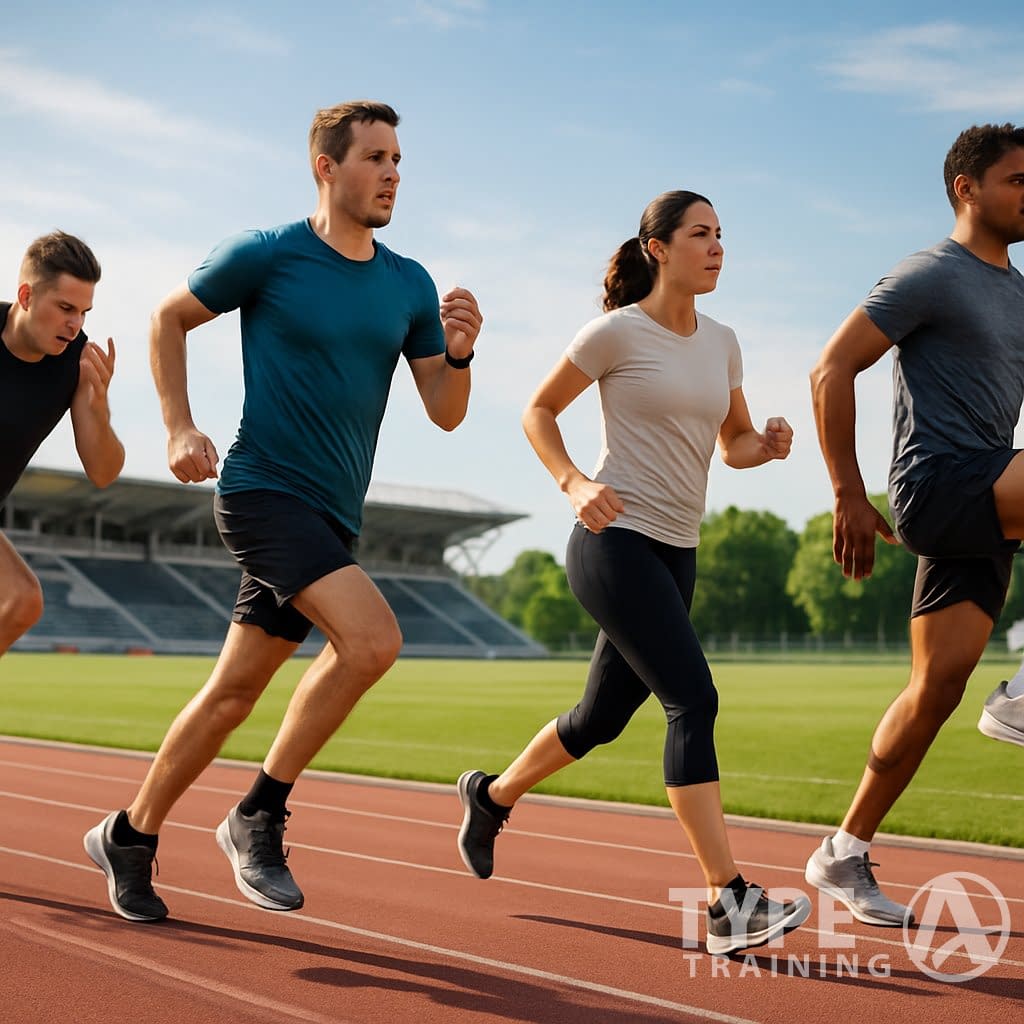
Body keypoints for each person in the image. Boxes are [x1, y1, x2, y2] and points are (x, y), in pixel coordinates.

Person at [84, 100, 483, 923]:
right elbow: (169, 317)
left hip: (333, 514)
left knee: (233, 695)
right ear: (326, 168)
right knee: (373, 640)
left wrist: (464, 352)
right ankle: (258, 812)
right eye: (375, 157)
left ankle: (130, 833)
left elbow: (446, 409)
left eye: (399, 159)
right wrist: (178, 426)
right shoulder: (268, 255)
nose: (393, 173)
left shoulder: (408, 282)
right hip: (263, 492)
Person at [456, 190, 810, 956]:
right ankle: (729, 902)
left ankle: (491, 796)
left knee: (600, 721)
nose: (716, 247)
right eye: (699, 234)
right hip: (612, 543)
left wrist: (769, 443)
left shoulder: (723, 341)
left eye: (721, 235)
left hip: (677, 550)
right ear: (657, 248)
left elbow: (735, 444)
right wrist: (575, 483)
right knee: (693, 700)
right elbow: (538, 411)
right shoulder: (616, 332)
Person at [804, 123, 1024, 927]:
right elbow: (832, 366)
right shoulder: (932, 273)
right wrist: (847, 492)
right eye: (1018, 179)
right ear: (968, 188)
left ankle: (843, 852)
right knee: (959, 692)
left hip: (989, 499)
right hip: (939, 483)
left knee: (934, 691)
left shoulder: (1020, 293)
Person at [1, 232, 123, 654]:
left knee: (22, 601)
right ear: (27, 295)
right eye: (66, 308)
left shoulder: (77, 362)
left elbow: (104, 473)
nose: (75, 324)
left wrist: (98, 406)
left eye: (84, 312)